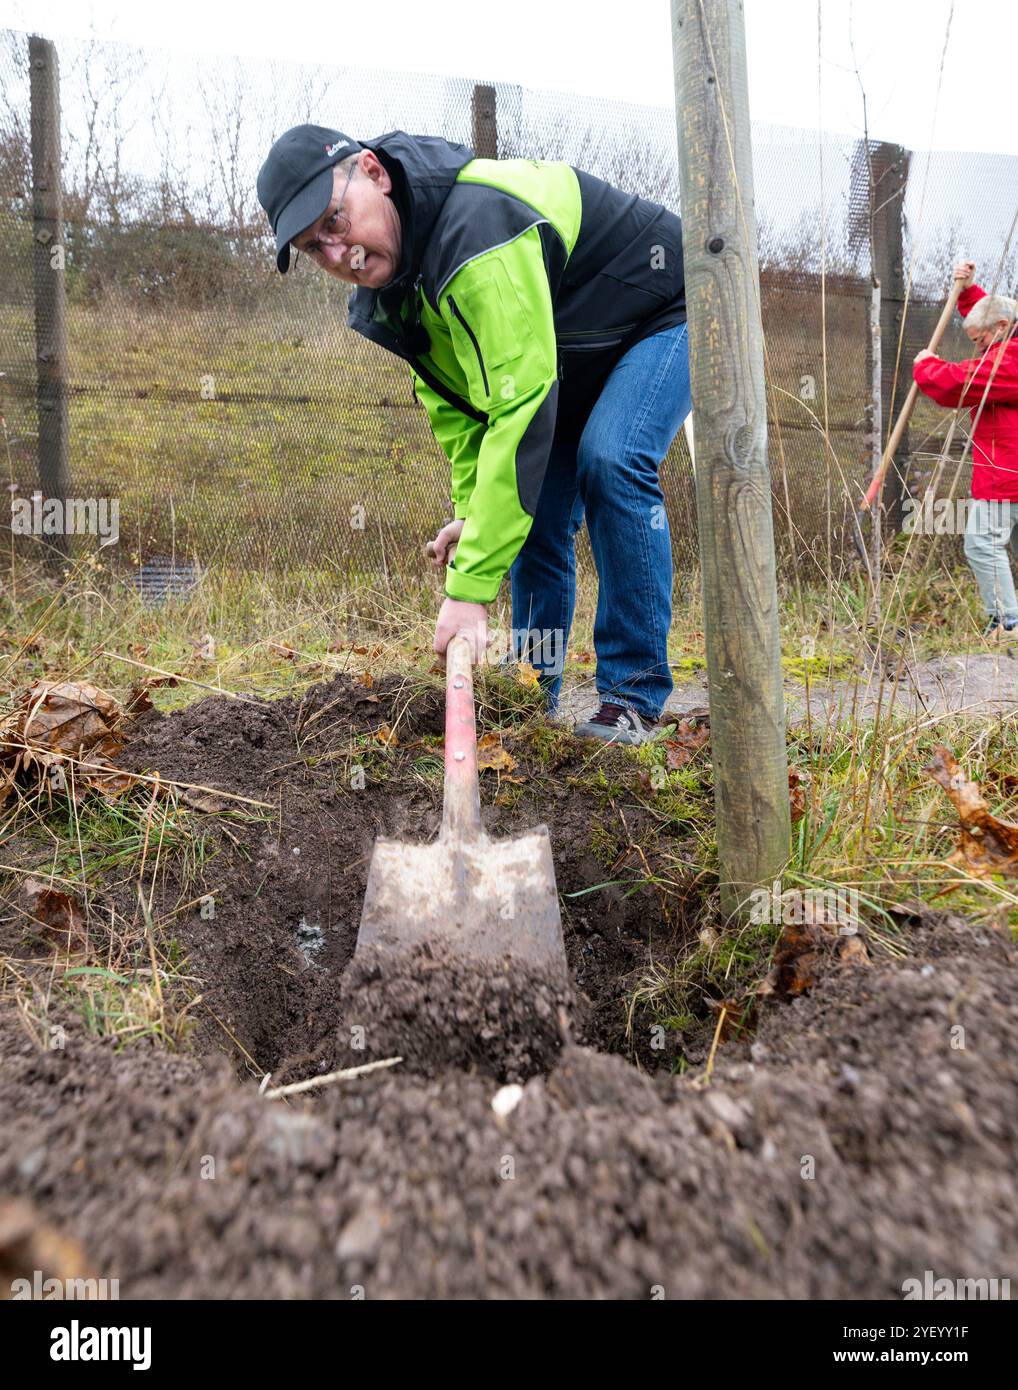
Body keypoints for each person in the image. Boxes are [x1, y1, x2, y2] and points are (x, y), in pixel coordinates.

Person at [257, 125, 691, 744]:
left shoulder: (475, 229)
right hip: (569, 360)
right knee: (531, 516)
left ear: (374, 174)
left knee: (611, 456)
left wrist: (469, 593)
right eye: (312, 248)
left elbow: (521, 408)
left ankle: (632, 698)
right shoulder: (398, 299)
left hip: (664, 311)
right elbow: (466, 420)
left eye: (334, 220)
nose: (336, 254)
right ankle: (529, 693)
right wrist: (471, 515)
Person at [914, 259, 1018, 636]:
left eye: (980, 341)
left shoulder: (1011, 359)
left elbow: (960, 383)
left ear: (1003, 329)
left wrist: (926, 367)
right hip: (1008, 473)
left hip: (1005, 475)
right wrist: (969, 292)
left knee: (982, 545)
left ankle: (1006, 624)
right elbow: (992, 319)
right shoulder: (1007, 340)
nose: (978, 348)